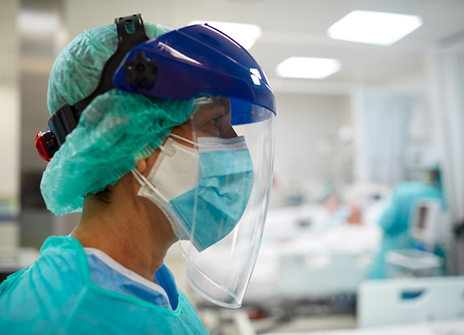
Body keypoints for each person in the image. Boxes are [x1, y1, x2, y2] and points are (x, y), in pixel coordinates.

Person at [0, 14, 275, 334]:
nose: (234, 145)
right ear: (137, 142)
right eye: (215, 122)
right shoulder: (66, 320)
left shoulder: (153, 286)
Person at [369, 164, 445, 279]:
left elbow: (385, 222)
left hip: (394, 263)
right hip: (431, 266)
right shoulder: (445, 197)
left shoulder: (404, 192)